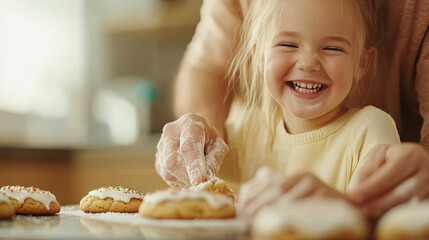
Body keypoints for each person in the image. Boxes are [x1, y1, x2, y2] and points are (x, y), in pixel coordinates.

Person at [155, 0, 429, 218]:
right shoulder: (248, 132)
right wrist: (189, 147)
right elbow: (201, 183)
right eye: (288, 44)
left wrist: (340, 208)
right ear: (259, 57)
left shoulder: (371, 130)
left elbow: (385, 219)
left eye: (333, 48)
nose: (309, 62)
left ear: (362, 64)